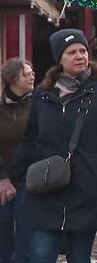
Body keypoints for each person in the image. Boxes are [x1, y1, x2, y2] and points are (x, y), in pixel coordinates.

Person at [11, 29, 97, 263]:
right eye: (72, 52)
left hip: (86, 192)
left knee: (80, 257)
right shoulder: (42, 95)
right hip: (46, 192)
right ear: (59, 58)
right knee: (41, 255)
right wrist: (15, 175)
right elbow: (31, 138)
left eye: (83, 50)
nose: (79, 56)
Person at [0, 58, 35, 263]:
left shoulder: (38, 105)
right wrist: (3, 177)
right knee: (3, 233)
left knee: (26, 234)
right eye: (26, 74)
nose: (32, 76)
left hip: (29, 179)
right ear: (13, 79)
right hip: (3, 180)